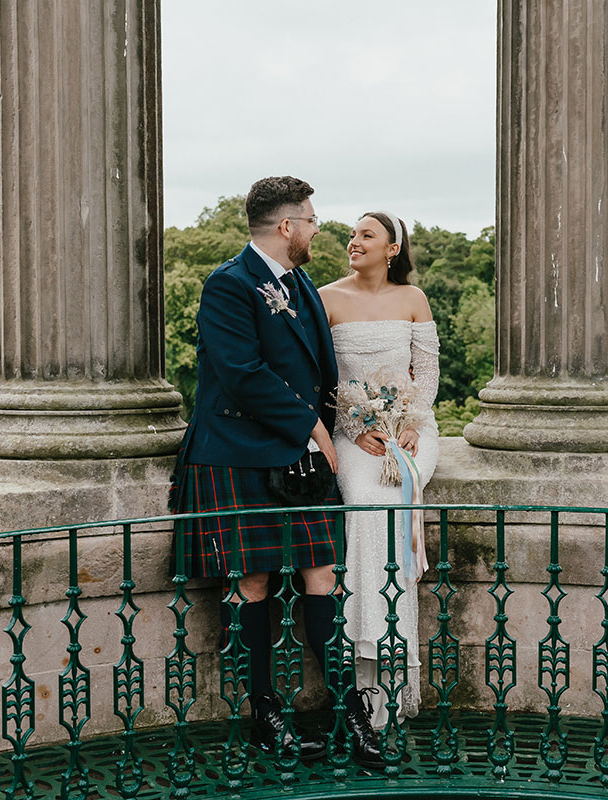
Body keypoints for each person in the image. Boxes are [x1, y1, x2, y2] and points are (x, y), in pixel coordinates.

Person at [169, 176, 384, 768]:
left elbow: (322, 369)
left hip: (298, 458)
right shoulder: (228, 285)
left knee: (323, 576)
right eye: (312, 221)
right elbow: (242, 372)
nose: (319, 231)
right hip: (238, 453)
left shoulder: (301, 283)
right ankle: (266, 716)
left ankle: (351, 717)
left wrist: (354, 421)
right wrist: (311, 427)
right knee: (253, 583)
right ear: (287, 226)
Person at [317, 211, 440, 729]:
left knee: (392, 500)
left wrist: (411, 422)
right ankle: (361, 675)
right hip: (354, 433)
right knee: (367, 505)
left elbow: (428, 372)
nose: (354, 242)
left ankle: (394, 672)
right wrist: (352, 422)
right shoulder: (325, 298)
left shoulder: (413, 300)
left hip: (411, 431)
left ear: (392, 249)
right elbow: (320, 374)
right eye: (352, 235)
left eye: (367, 235)